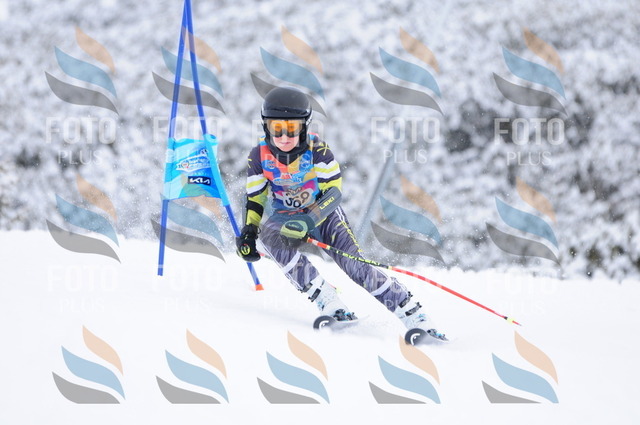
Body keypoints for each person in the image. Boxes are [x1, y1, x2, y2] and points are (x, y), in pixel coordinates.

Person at [235, 87, 446, 342]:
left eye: (292, 128)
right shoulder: (258, 156)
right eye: (276, 128)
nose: (284, 136)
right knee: (269, 235)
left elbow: (333, 193)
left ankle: (413, 314)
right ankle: (328, 301)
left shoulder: (317, 150)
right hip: (287, 216)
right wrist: (249, 232)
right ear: (266, 126)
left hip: (324, 215)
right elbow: (255, 198)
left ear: (304, 126)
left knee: (355, 267)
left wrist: (308, 220)